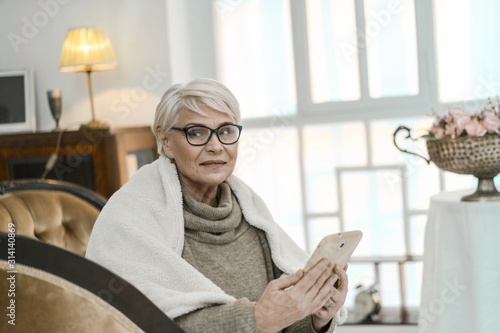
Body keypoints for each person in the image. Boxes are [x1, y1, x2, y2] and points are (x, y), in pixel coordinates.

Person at [86, 78, 348, 332]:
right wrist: (255, 319)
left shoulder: (251, 214)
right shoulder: (129, 217)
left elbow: (275, 324)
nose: (215, 146)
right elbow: (133, 321)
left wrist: (314, 318)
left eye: (225, 131)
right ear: (164, 139)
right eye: (196, 132)